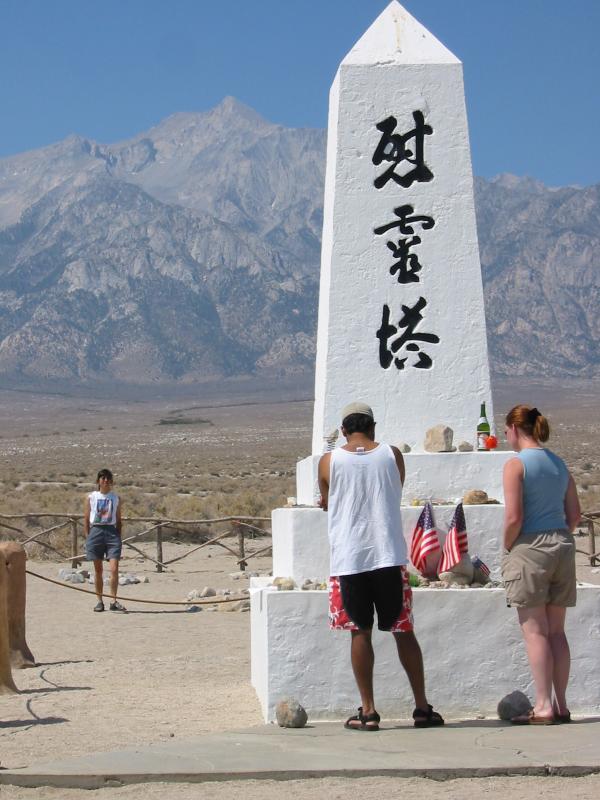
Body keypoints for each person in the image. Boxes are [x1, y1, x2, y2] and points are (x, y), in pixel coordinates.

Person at [318, 401, 443, 731]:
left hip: (350, 557)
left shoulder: (329, 461)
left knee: (359, 631)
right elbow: (395, 489)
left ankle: (369, 710)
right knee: (403, 629)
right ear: (373, 427)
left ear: (343, 431)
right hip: (388, 554)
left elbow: (327, 503)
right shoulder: (392, 455)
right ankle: (421, 707)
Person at [502, 405, 581, 724]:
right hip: (562, 544)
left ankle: (543, 704)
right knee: (557, 631)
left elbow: (514, 517)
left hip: (530, 547)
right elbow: (574, 515)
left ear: (513, 429)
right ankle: (561, 704)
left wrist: (508, 545)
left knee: (535, 632)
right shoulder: (560, 464)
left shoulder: (515, 465)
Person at [84, 468, 127, 613]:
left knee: (114, 569)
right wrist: (88, 536)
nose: (105, 481)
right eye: (103, 478)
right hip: (96, 531)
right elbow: (86, 518)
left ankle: (113, 600)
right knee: (98, 570)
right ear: (98, 481)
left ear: (112, 481)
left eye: (108, 478)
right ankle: (99, 601)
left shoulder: (116, 498)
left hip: (111, 532)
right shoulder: (91, 497)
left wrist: (118, 536)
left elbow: (119, 519)